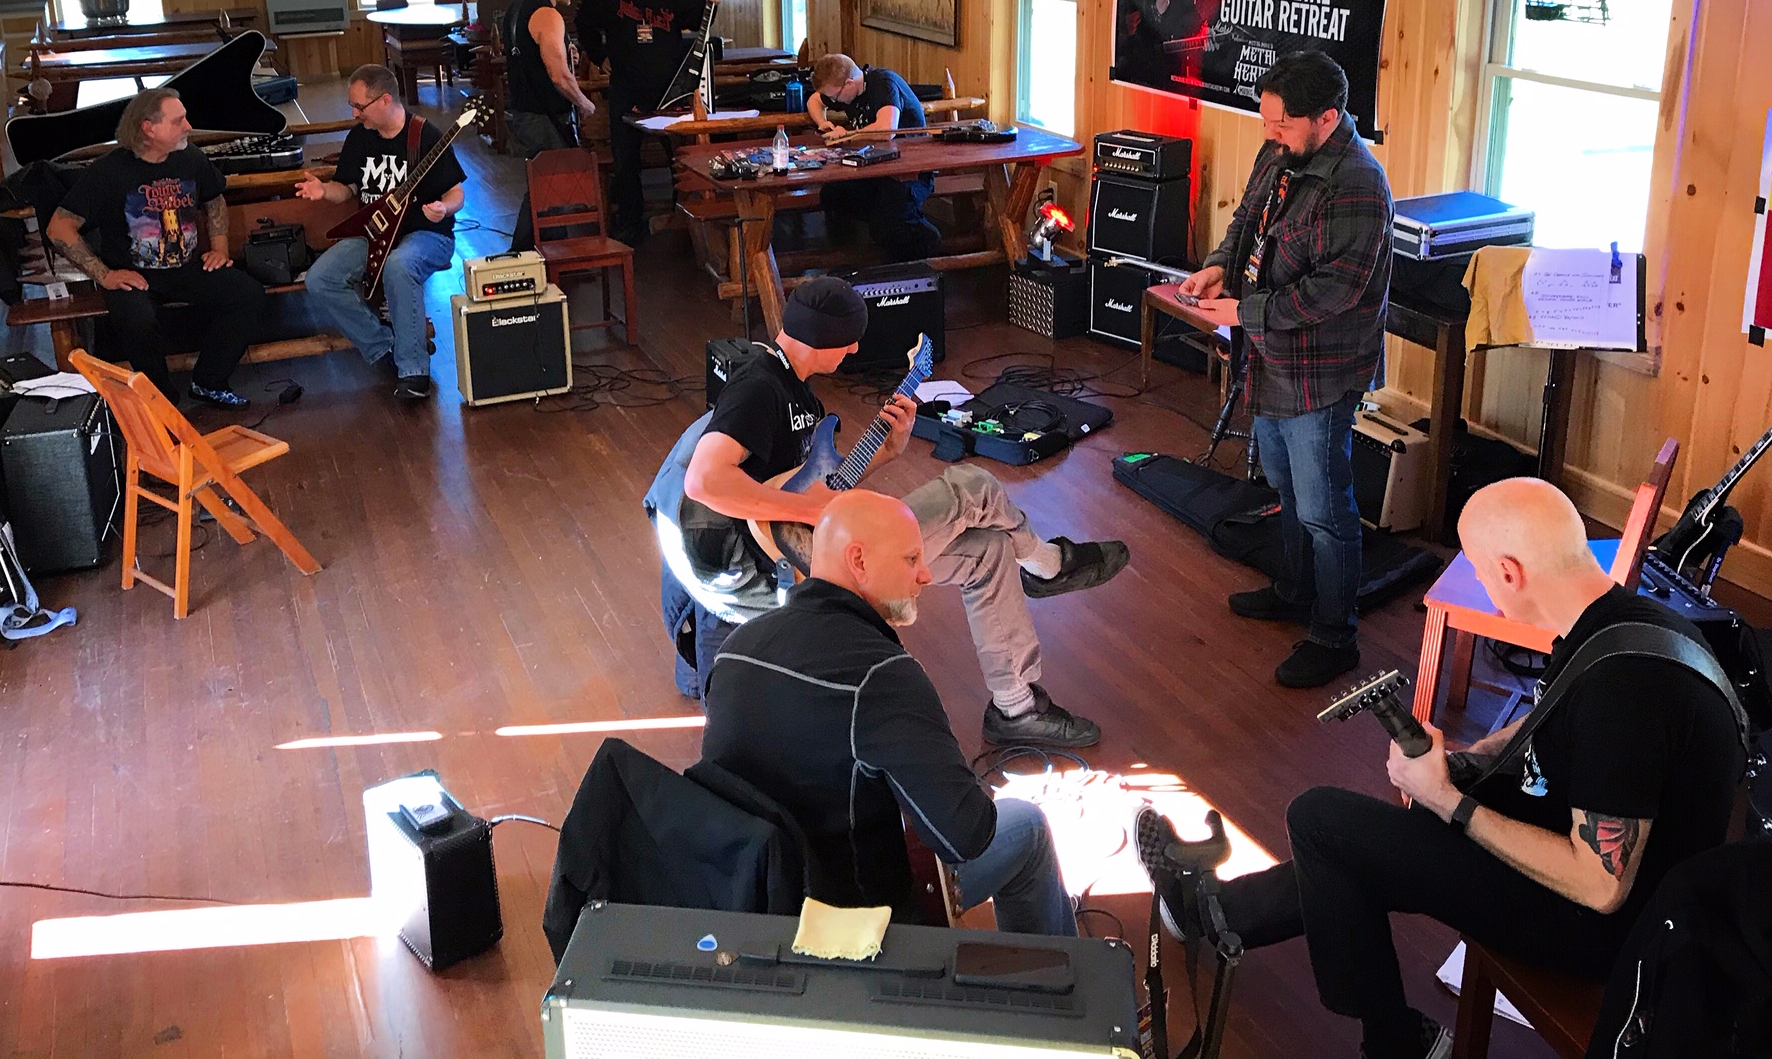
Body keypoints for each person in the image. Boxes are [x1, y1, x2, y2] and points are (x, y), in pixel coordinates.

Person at [1137, 479, 1746, 1059]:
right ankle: (1217, 915)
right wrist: (1462, 761)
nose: (1478, 581)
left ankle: (1391, 1037)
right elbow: (1551, 720)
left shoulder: (1626, 698)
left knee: (1320, 819)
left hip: (1609, 930)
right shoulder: (1616, 620)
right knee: (1353, 842)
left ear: (1509, 571)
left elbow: (1600, 887)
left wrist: (1451, 802)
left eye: (1478, 570)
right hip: (1595, 851)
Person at [650, 274, 1125, 747]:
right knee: (975, 487)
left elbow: (823, 489)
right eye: (849, 340)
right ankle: (1048, 565)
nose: (854, 350)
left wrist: (888, 451)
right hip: (782, 569)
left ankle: (1016, 707)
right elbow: (705, 481)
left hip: (816, 550)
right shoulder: (759, 386)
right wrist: (813, 514)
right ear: (822, 337)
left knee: (989, 552)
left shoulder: (800, 393)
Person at [701, 489, 1078, 934]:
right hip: (851, 923)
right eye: (911, 559)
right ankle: (1057, 976)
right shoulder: (884, 676)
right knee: (1028, 827)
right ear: (858, 560)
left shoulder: (735, 647)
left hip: (755, 895)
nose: (925, 574)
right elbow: (967, 836)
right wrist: (945, 765)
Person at [1177, 51, 1393, 688]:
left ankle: (1335, 635)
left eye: (1282, 124)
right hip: (1270, 356)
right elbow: (1247, 222)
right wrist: (1219, 265)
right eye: (1266, 120)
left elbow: (1336, 291)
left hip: (1321, 369)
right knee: (1286, 486)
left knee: (1324, 506)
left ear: (1327, 117)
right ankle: (1296, 591)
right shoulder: (1280, 151)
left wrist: (1245, 311)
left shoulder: (1358, 184)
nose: (1270, 133)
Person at [48, 88, 265, 408]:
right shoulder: (108, 171)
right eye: (178, 121)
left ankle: (209, 381)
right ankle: (160, 400)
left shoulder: (191, 157)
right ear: (148, 128)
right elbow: (59, 227)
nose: (189, 126)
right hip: (132, 275)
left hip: (188, 268)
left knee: (248, 295)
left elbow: (214, 198)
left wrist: (220, 248)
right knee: (137, 320)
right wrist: (105, 275)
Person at [297, 64, 465, 402]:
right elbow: (346, 189)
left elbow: (456, 193)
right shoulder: (360, 137)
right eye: (352, 106)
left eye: (359, 106)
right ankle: (384, 348)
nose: (354, 113)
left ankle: (414, 370)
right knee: (320, 279)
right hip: (375, 235)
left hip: (426, 235)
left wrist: (443, 208)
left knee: (399, 265)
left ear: (385, 100)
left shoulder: (425, 136)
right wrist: (324, 190)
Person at [576, 0, 720, 244]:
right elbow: (584, 23)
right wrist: (599, 57)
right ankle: (630, 224)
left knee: (680, 154)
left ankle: (683, 215)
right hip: (626, 82)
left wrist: (712, 2)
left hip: (668, 83)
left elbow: (701, 19)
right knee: (626, 158)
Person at [807, 52, 940, 261]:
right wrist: (823, 123)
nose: (833, 102)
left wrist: (848, 135)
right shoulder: (845, 90)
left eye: (835, 97)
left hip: (909, 172)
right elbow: (815, 100)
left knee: (887, 226)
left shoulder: (884, 83)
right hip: (876, 169)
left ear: (849, 83)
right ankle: (885, 232)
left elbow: (887, 129)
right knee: (832, 195)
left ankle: (927, 242)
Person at [503, 0, 593, 250]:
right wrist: (584, 103)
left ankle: (543, 255)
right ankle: (532, 255)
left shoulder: (517, 7)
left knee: (544, 186)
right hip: (544, 116)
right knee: (551, 187)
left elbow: (529, 56)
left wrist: (566, 51)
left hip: (522, 111)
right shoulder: (548, 14)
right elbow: (559, 76)